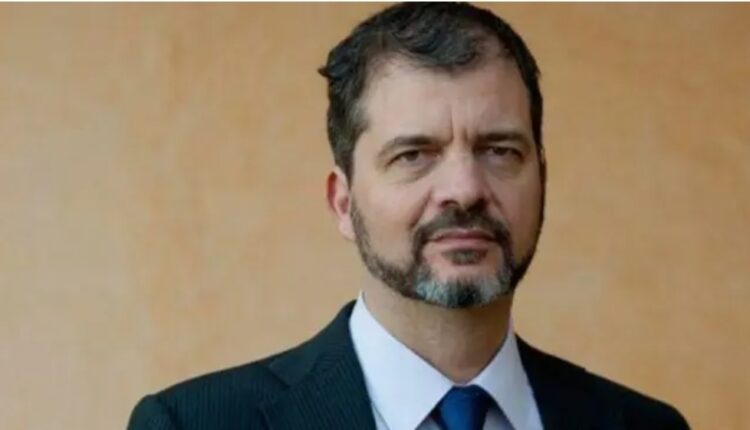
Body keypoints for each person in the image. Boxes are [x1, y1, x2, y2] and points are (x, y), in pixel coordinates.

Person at [128, 3, 689, 429]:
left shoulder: (646, 427)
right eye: (413, 155)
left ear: (542, 179)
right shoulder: (193, 424)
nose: (465, 190)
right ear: (343, 203)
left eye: (499, 151)